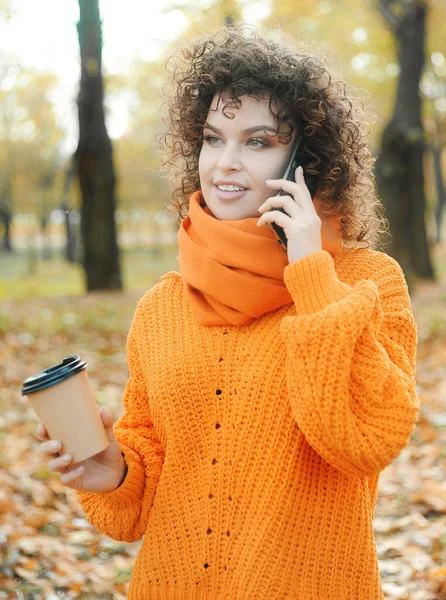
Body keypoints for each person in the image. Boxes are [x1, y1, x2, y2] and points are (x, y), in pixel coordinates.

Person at [37, 24, 420, 599]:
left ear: (306, 160)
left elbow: (364, 440)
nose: (225, 163)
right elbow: (138, 496)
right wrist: (110, 471)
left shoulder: (367, 282)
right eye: (214, 139)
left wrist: (312, 274)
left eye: (258, 142)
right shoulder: (161, 307)